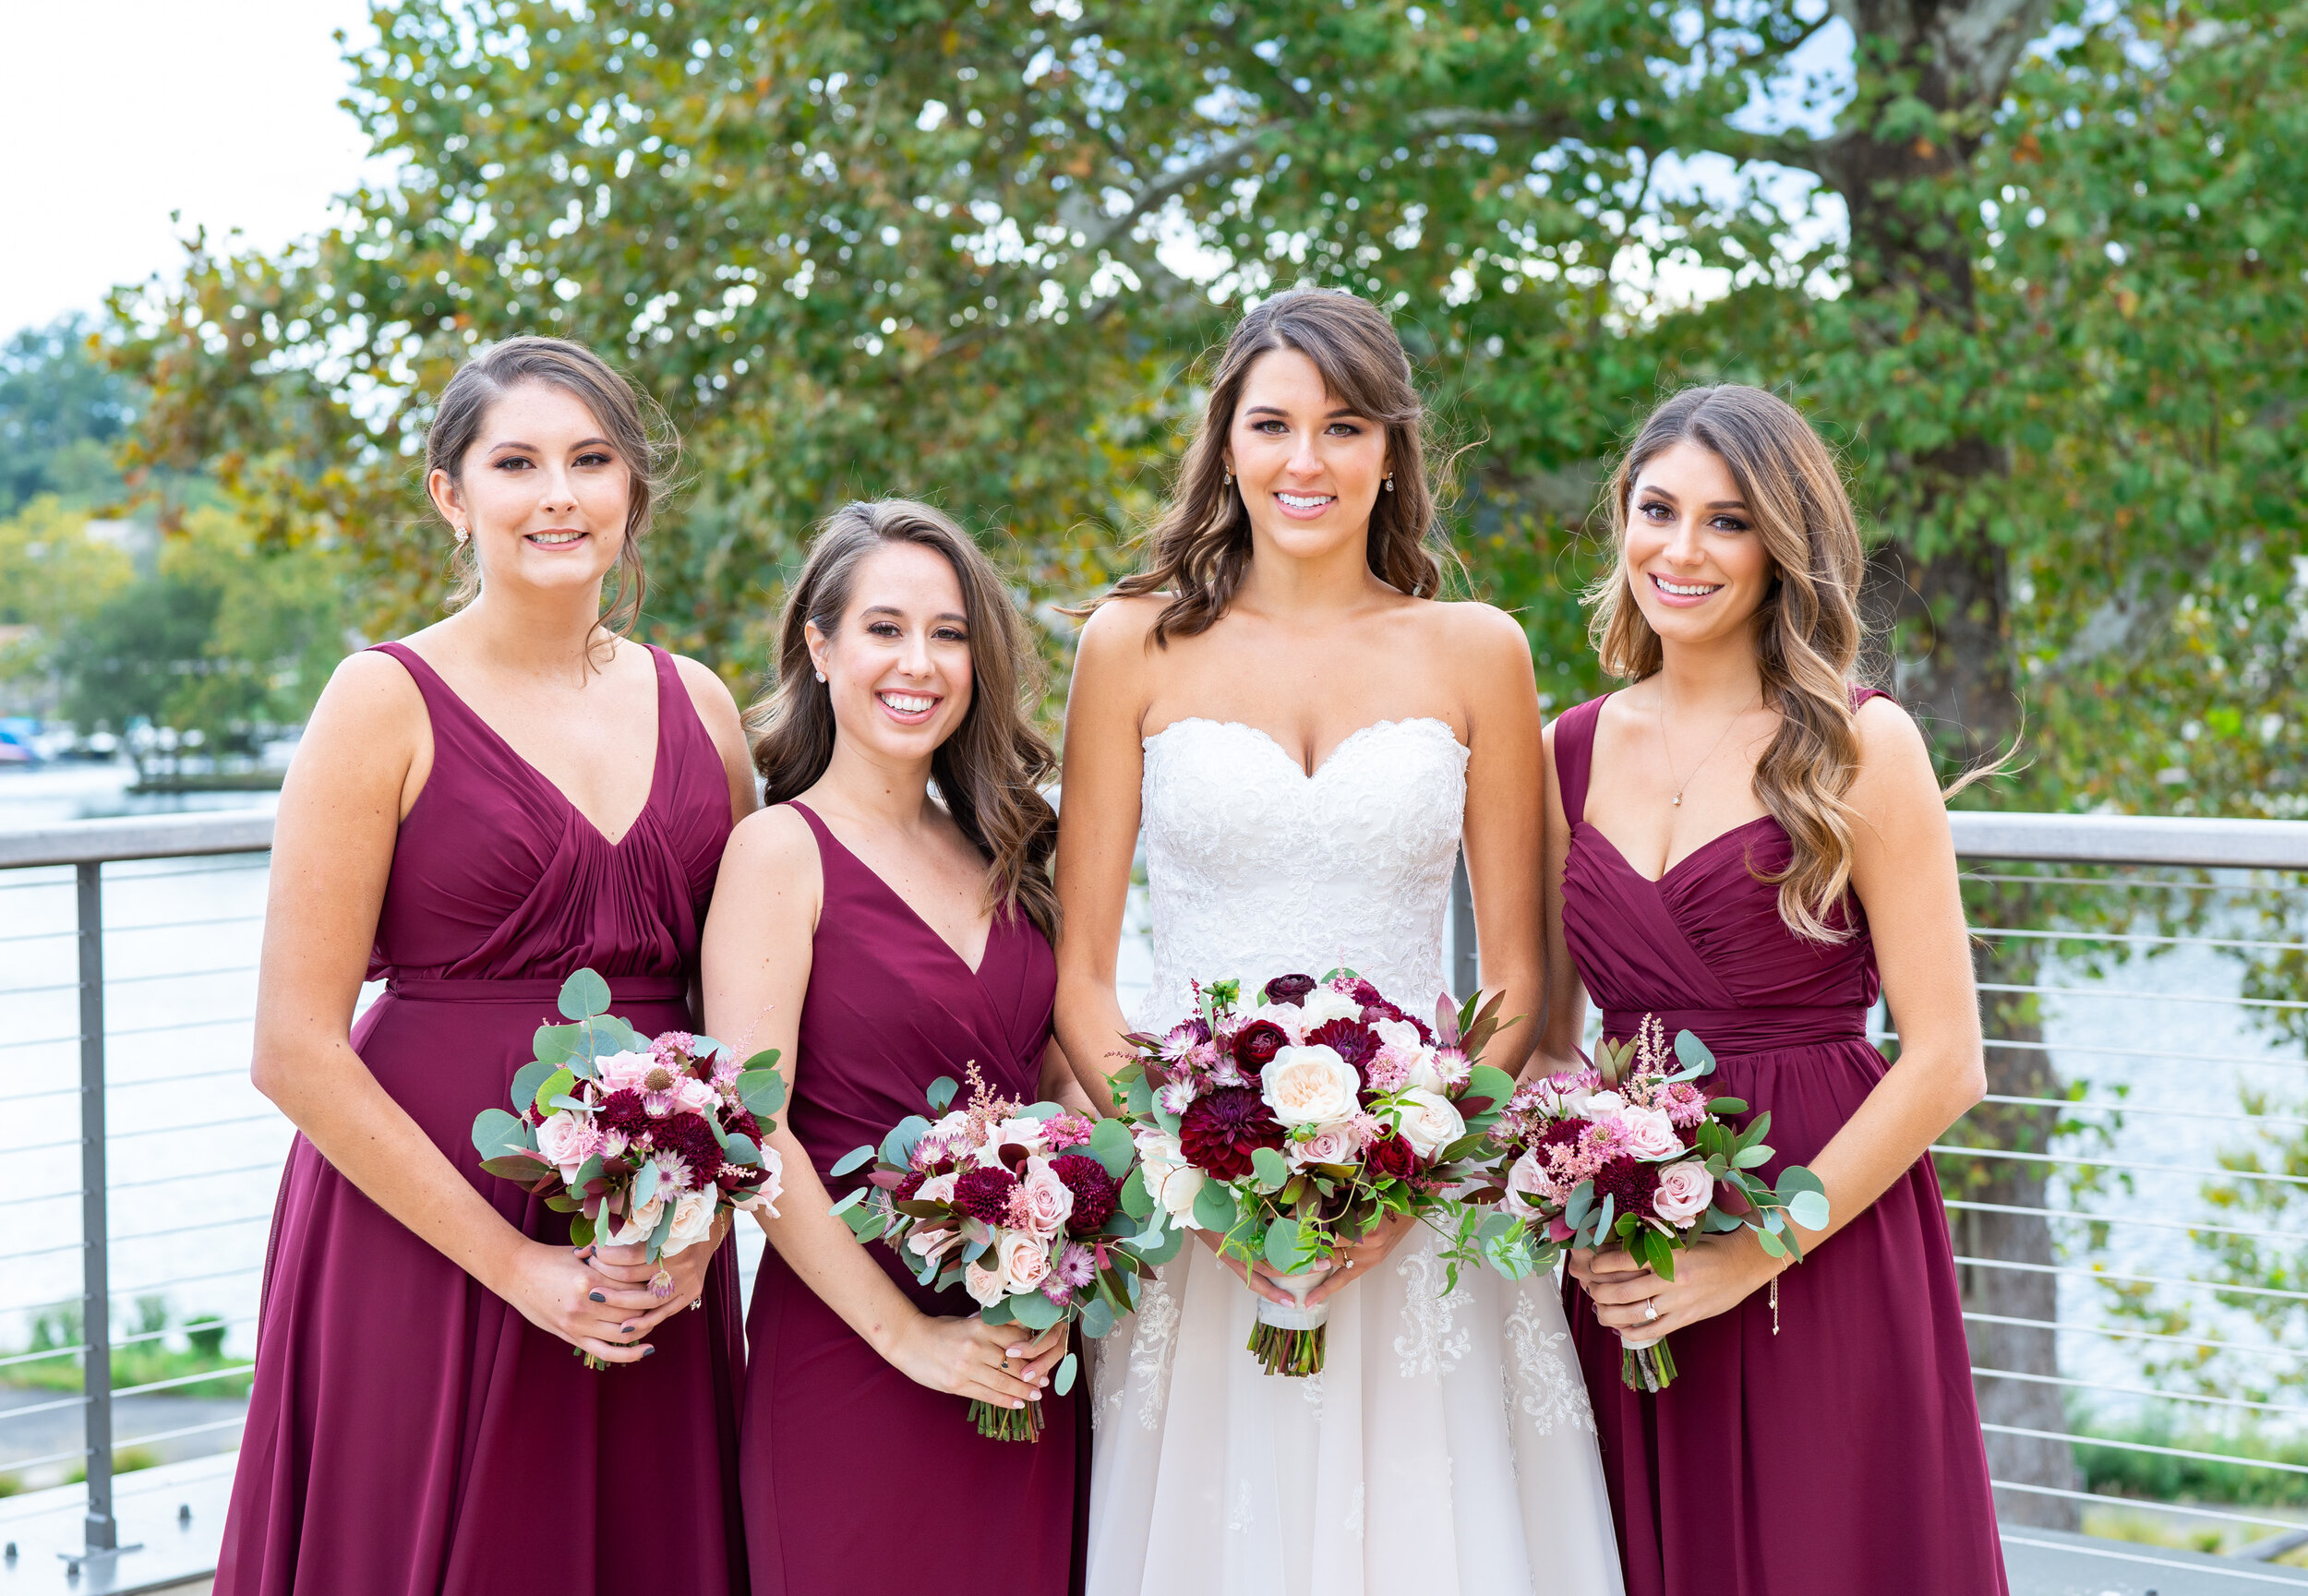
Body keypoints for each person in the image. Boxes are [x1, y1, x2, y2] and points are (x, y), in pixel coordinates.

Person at [1055, 287, 1624, 1595]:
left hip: (1422, 1202)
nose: (1305, 461)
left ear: (1391, 452)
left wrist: (1400, 1180)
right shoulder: (1129, 642)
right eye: (1273, 425)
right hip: (1201, 1214)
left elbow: (1520, 980)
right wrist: (1195, 1176)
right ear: (1227, 444)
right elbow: (1085, 970)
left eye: (1344, 426)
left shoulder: (1476, 649)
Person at [216, 336, 758, 1593]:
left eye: (590, 460)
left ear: (632, 491)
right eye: (516, 463)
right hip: (422, 1236)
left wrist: (694, 1231)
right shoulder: (380, 700)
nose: (558, 494)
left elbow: (740, 1020)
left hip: (645, 1244)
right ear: (451, 495)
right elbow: (291, 1044)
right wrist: (515, 1265)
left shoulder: (706, 707)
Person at [1545, 384, 2006, 1593]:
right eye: (1658, 510)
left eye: (1729, 521)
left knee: (1826, 1547)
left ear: (1783, 547)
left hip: (1821, 1218)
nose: (1681, 550)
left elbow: (1949, 1056)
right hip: (1633, 1228)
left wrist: (1756, 1253)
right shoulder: (1571, 746)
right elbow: (1549, 1033)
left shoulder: (1861, 743)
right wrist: (1567, 1206)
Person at [704, 499, 1089, 1596]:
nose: (918, 662)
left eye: (950, 632)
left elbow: (1055, 1072)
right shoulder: (778, 852)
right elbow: (753, 1128)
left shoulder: (1009, 845)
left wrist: (1109, 1226)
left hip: (1024, 1342)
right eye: (884, 628)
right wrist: (910, 1340)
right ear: (819, 647)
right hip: (851, 1348)